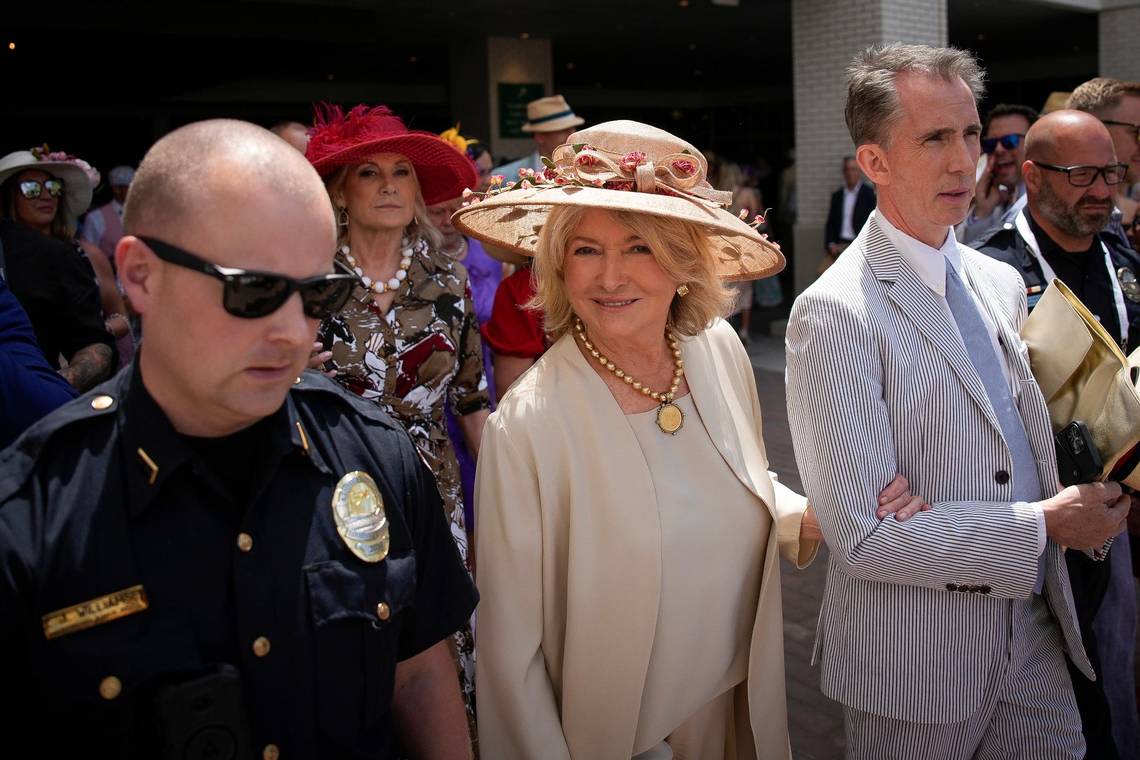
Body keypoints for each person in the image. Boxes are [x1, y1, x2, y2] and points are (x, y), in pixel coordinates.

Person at [0, 119, 478, 758]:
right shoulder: (32, 514)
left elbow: (418, 675)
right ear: (139, 276)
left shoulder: (380, 458)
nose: (291, 331)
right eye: (253, 289)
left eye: (318, 294)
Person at [458, 119, 924, 759]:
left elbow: (742, 482)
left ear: (683, 263)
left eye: (639, 248)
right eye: (586, 249)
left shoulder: (715, 350)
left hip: (737, 708)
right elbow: (511, 657)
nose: (609, 277)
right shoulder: (528, 426)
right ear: (558, 266)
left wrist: (818, 517)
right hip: (619, 736)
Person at [785, 43, 1133, 759]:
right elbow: (864, 538)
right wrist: (1039, 526)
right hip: (915, 665)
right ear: (874, 162)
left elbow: (1021, 451)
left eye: (970, 134)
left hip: (1035, 636)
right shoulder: (835, 312)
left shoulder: (994, 279)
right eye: (934, 138)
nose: (963, 161)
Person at [305, 103, 488, 737]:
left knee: (439, 638)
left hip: (431, 491)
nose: (388, 184)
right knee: (347, 635)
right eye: (369, 173)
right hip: (332, 490)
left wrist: (500, 496)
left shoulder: (449, 282)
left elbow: (469, 396)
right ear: (339, 193)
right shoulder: (306, 283)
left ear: (417, 191)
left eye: (402, 171)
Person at [973, 109, 1140, 759]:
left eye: (1112, 172)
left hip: (1124, 521)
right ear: (1034, 176)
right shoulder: (992, 273)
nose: (1101, 189)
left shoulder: (1124, 256)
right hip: (1045, 529)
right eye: (1081, 175)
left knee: (1117, 679)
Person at [427, 124, 504, 534]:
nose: (445, 221)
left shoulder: (491, 255)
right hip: (435, 396)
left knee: (486, 498)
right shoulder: (416, 266)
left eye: (452, 211)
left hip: (485, 387)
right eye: (435, 212)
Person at [0, 149, 115, 390]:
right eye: (31, 188)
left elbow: (94, 335)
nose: (45, 195)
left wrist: (50, 387)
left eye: (52, 187)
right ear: (8, 196)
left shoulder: (70, 253)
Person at [956, 103, 1037, 244]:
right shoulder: (994, 201)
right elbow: (966, 252)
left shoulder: (1048, 198)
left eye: (1009, 141)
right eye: (991, 144)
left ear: (1035, 144)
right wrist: (982, 212)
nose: (999, 150)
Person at [492, 94, 584, 179]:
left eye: (573, 129)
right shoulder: (504, 176)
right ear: (540, 137)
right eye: (564, 130)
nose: (573, 135)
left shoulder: (588, 172)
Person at [822, 156, 875, 271]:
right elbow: (830, 222)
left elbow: (873, 223)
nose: (850, 173)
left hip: (859, 246)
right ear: (843, 172)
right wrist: (831, 244)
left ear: (859, 171)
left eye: (853, 169)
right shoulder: (838, 195)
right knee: (823, 274)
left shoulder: (869, 194)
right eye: (847, 169)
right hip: (839, 246)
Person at [81, 164, 134, 265]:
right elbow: (87, 255)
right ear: (116, 189)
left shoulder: (144, 215)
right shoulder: (96, 218)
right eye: (130, 187)